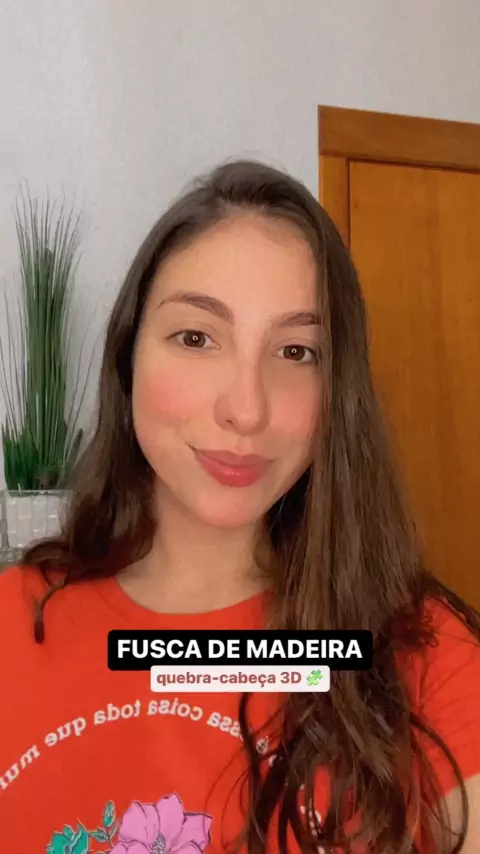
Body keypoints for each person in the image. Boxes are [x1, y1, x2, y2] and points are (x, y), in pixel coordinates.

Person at [0, 160, 479, 854]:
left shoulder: (425, 656)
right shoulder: (11, 625)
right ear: (128, 356)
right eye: (196, 338)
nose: (247, 409)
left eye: (297, 350)